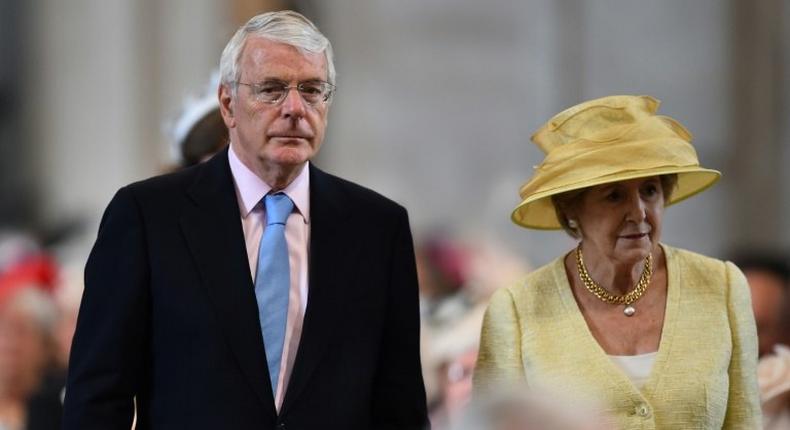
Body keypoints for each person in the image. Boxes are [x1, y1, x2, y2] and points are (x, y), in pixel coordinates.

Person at [63, 10, 428, 430]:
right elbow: (96, 398)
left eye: (312, 90)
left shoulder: (378, 228)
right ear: (227, 104)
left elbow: (400, 407)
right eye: (272, 89)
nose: (295, 108)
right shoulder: (148, 217)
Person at [473, 95, 762, 428]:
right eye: (614, 195)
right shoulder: (516, 310)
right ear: (571, 210)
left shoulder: (722, 285)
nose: (638, 212)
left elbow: (745, 422)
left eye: (650, 191)